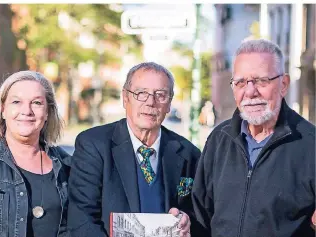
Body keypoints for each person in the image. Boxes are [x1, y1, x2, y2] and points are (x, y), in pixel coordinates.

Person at [192, 39, 315, 237]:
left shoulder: (311, 145)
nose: (250, 91)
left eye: (261, 81)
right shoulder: (218, 140)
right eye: (240, 82)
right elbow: (200, 218)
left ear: (283, 84)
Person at [68, 62, 201, 237]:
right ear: (125, 98)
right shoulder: (93, 145)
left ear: (169, 104)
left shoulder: (188, 153)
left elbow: (200, 214)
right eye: (141, 93)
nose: (150, 102)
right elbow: (81, 219)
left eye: (160, 95)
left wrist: (187, 221)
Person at [0, 71, 70, 237]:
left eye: (36, 103)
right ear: (3, 110)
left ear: (48, 112)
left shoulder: (68, 166)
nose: (26, 111)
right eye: (16, 102)